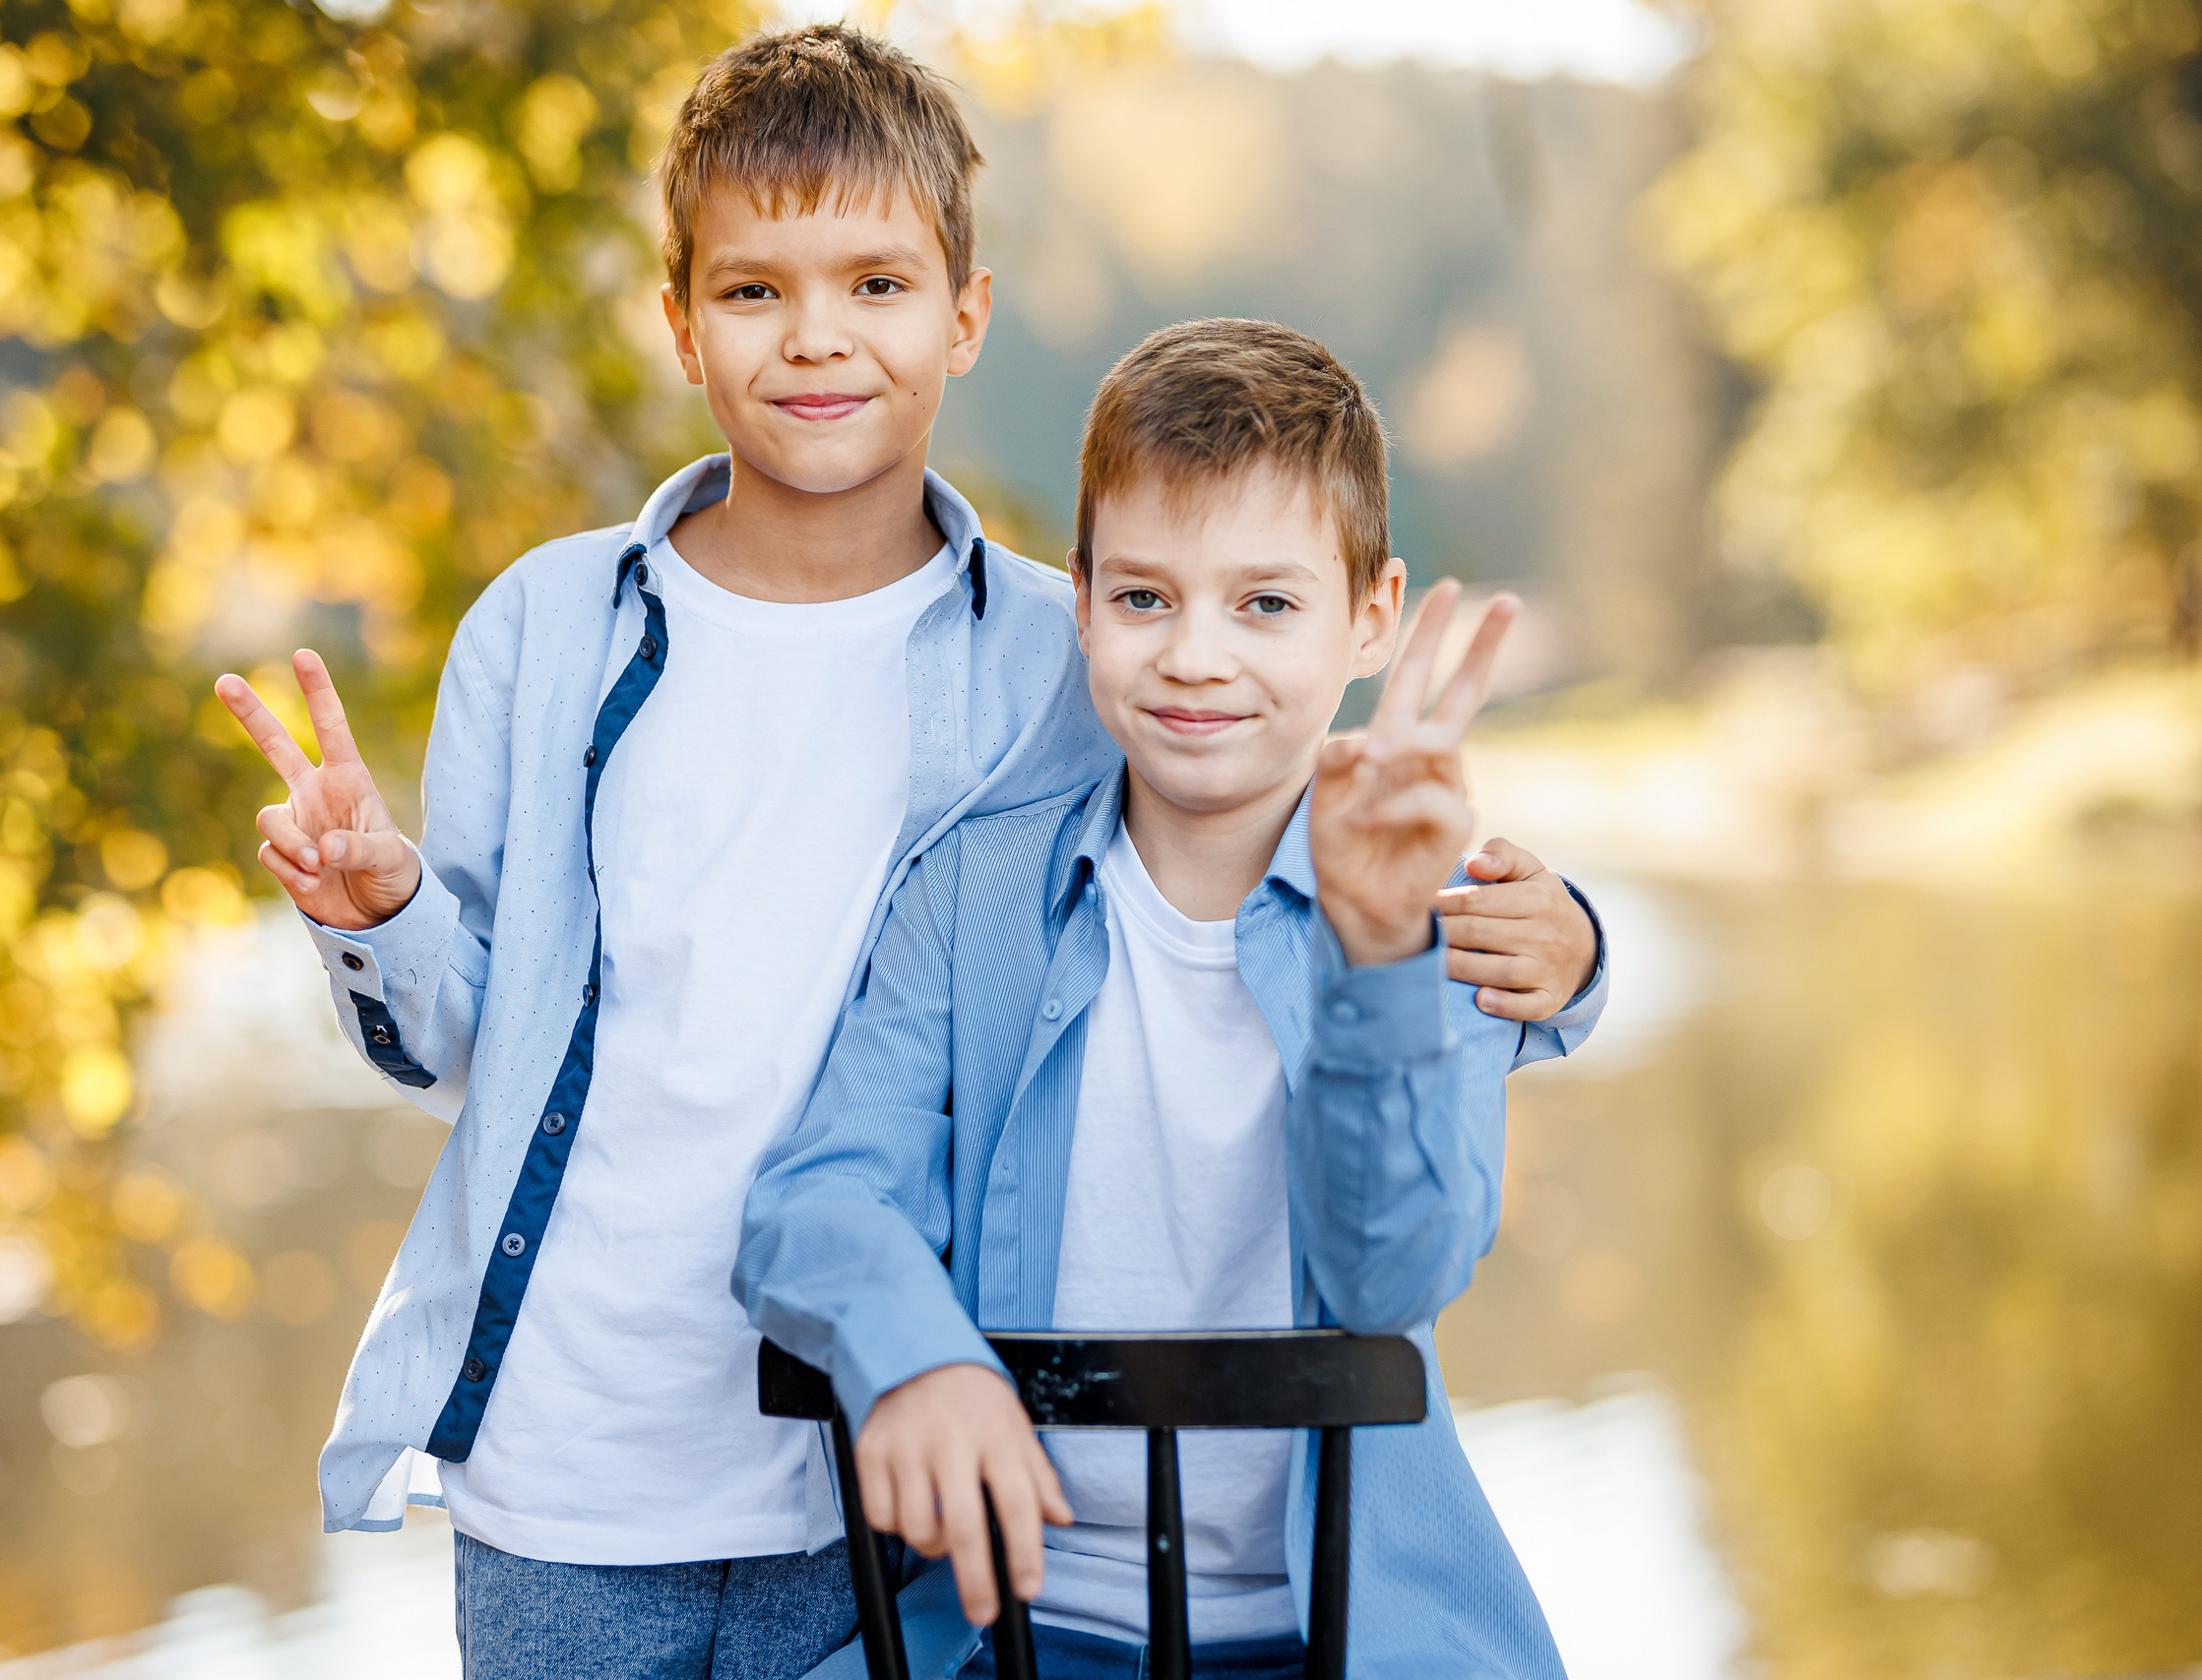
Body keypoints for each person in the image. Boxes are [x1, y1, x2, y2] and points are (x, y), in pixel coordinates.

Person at [213, 26, 1603, 1680]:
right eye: (754, 290)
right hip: (590, 1449)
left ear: (965, 315)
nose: (817, 335)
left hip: (866, 1495)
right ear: (681, 323)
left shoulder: (1054, 650)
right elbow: (477, 1044)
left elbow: (1287, 838)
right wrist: (380, 918)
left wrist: (1563, 940)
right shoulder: (555, 631)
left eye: (876, 283)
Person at [737, 319, 1579, 1680]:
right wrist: (913, 1354)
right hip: (1012, 1631)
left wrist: (1380, 955)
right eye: (1144, 599)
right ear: (1079, 601)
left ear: (1371, 616)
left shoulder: (1429, 922)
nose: (1195, 656)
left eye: (1266, 605)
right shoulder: (972, 891)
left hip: (1344, 1637)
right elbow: (817, 1196)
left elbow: (1394, 1274)